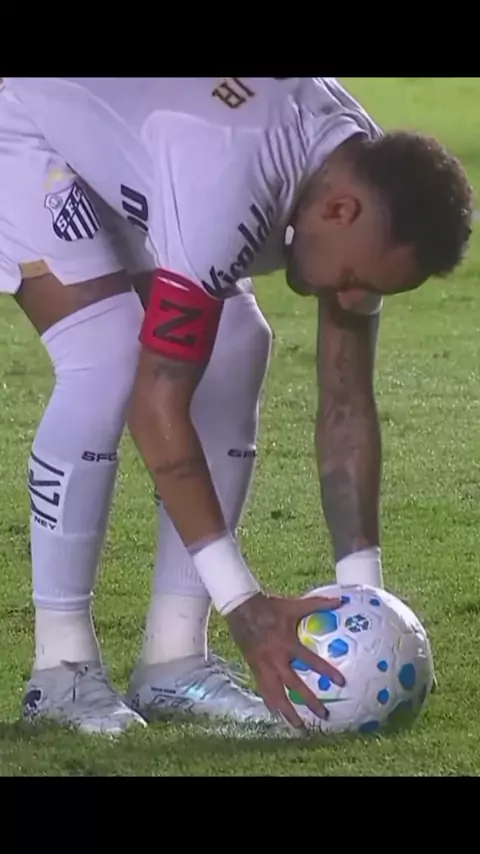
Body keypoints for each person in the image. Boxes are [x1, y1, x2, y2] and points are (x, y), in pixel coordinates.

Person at [0, 77, 472, 735]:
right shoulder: (227, 172)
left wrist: (365, 600)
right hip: (27, 116)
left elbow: (345, 404)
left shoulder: (364, 172)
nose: (352, 297)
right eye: (353, 280)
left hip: (136, 138)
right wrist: (244, 607)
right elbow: (156, 407)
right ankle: (60, 672)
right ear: (340, 210)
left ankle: (174, 662)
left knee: (236, 344)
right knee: (106, 356)